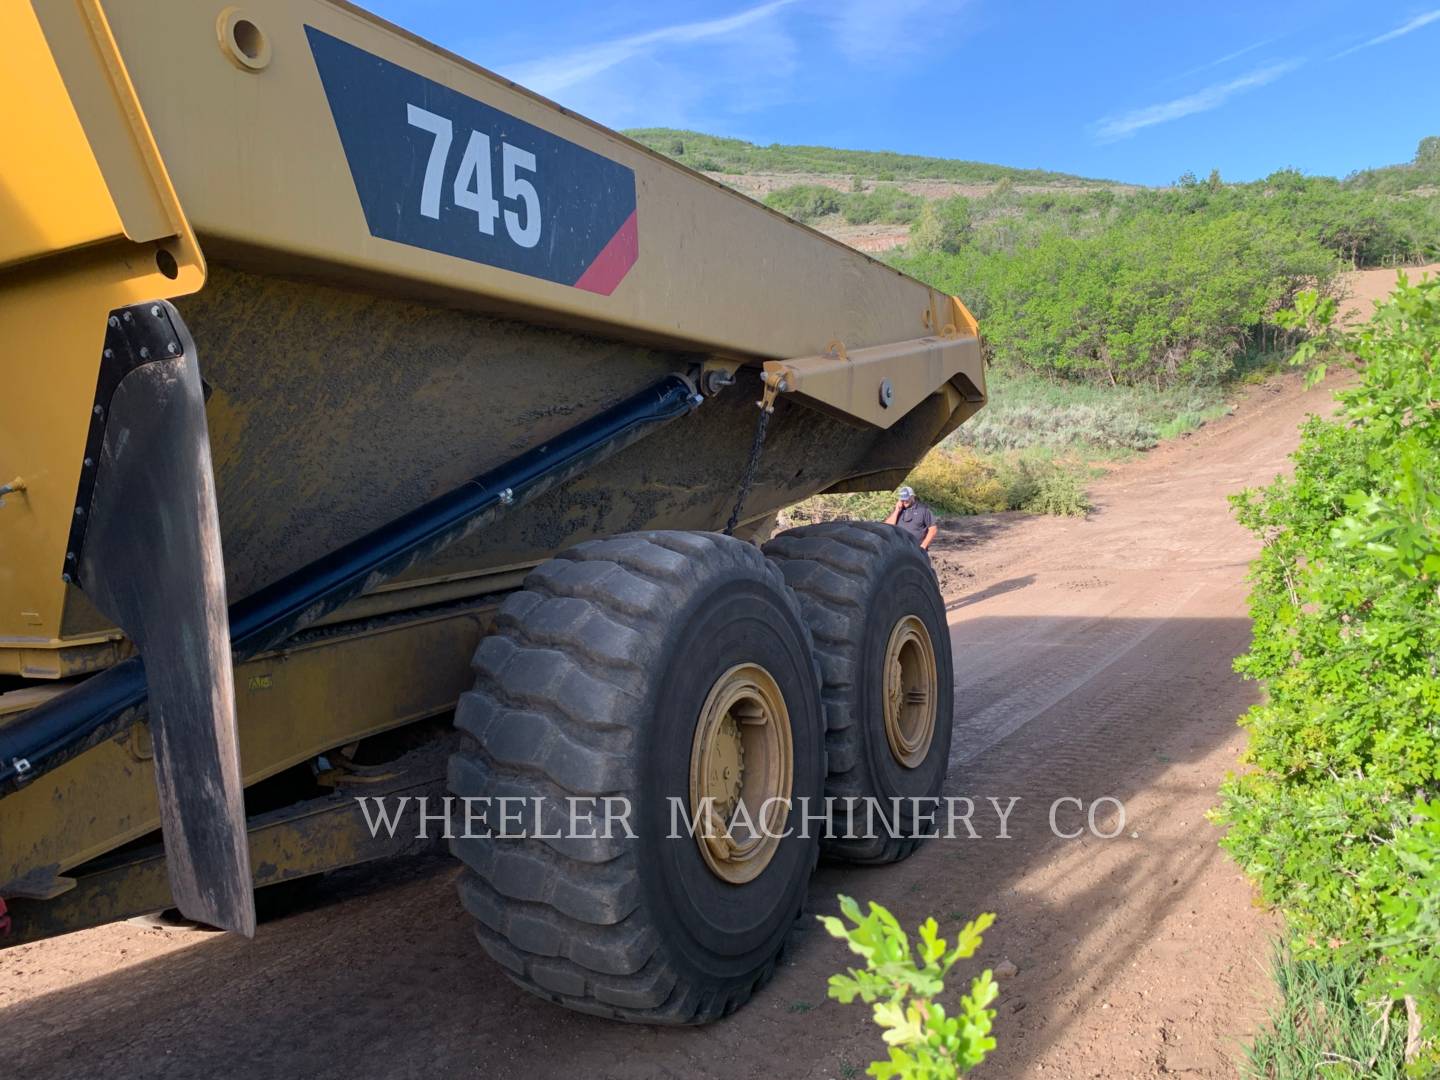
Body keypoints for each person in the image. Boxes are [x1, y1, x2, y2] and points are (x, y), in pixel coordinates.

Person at [885, 485, 937, 553]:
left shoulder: (923, 510)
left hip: (917, 551)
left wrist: (923, 546)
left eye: (907, 498)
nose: (905, 501)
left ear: (913, 496)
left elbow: (933, 529)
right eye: (902, 499)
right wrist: (897, 511)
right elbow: (887, 527)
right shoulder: (898, 510)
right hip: (900, 550)